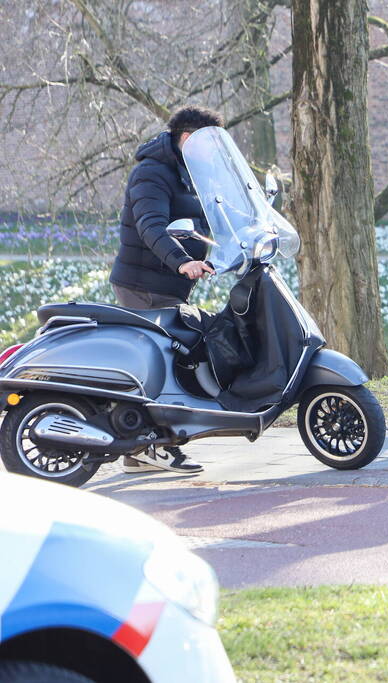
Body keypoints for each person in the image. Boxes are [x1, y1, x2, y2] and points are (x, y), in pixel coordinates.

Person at [110, 105, 223, 474]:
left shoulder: (186, 171)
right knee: (156, 368)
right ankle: (150, 447)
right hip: (143, 284)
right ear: (187, 139)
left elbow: (207, 218)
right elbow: (151, 225)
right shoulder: (153, 171)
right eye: (209, 144)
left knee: (167, 362)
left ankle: (140, 451)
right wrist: (182, 262)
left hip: (166, 285)